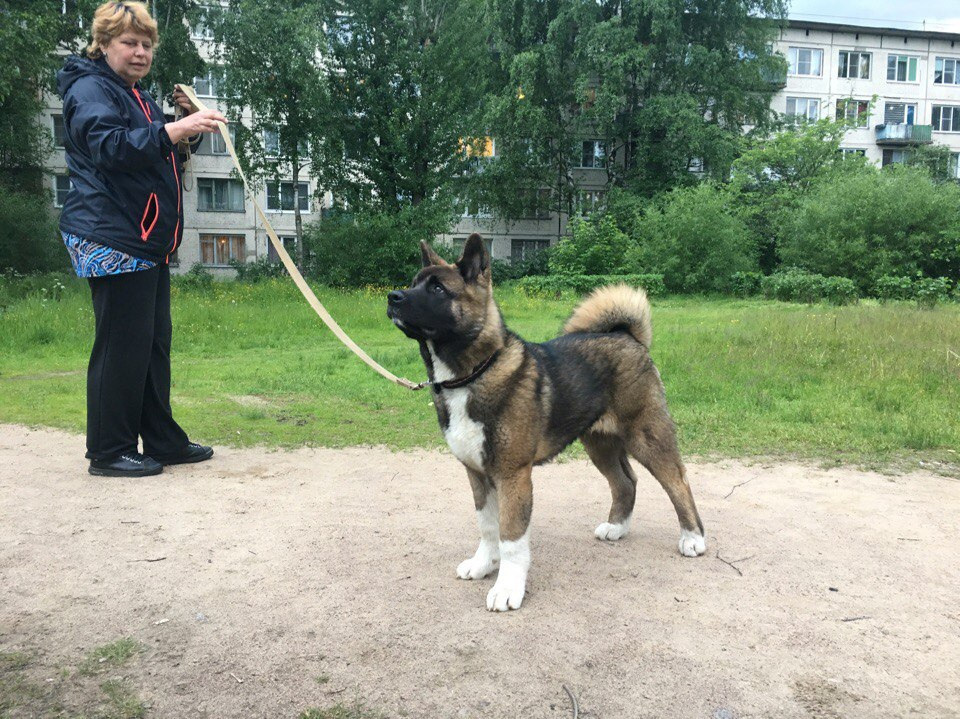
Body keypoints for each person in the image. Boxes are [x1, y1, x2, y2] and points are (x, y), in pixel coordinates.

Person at [57, 1, 227, 477]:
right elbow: (110, 147)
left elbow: (160, 152)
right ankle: (109, 451)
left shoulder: (135, 94)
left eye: (146, 44)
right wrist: (174, 128)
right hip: (111, 235)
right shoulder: (90, 89)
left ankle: (161, 441)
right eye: (129, 43)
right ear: (103, 44)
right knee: (121, 345)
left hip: (144, 238)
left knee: (151, 344)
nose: (140, 53)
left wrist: (182, 127)